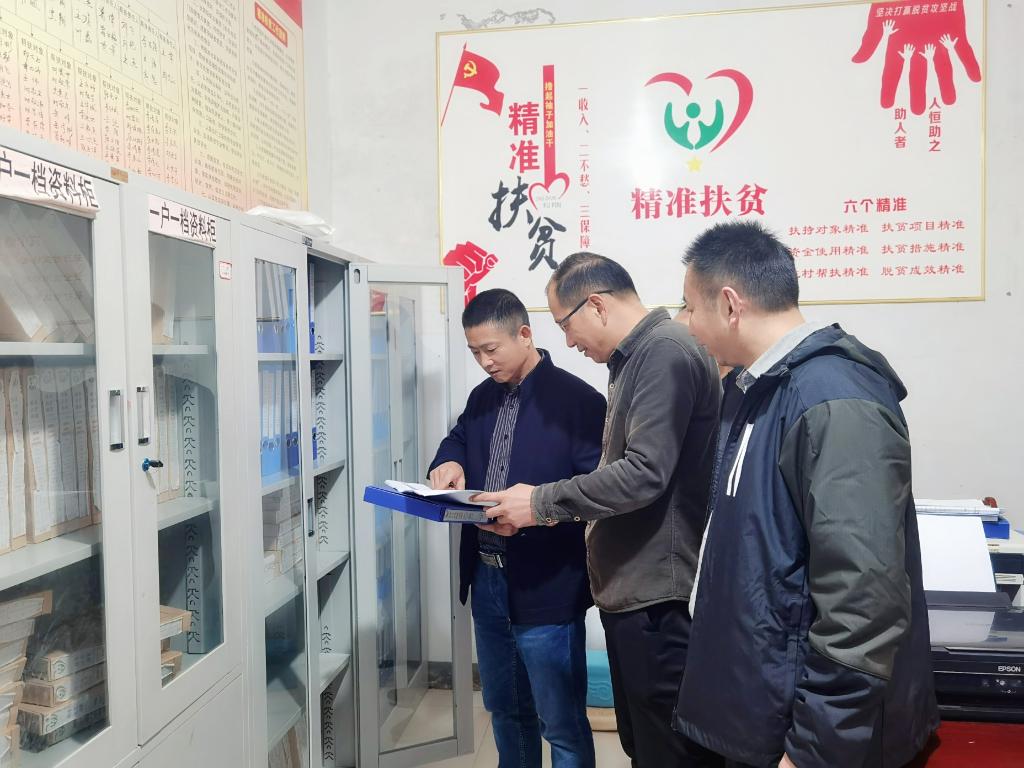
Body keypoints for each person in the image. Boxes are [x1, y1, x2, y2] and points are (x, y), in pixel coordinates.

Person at [674, 221, 937, 768]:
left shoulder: (834, 399)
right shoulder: (756, 389)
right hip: (760, 709)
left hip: (807, 734)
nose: (688, 324)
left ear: (730, 304)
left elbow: (863, 598)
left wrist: (815, 746)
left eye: (691, 308)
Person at [477, 254, 721, 768]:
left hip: (656, 591)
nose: (568, 342)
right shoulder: (636, 359)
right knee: (642, 742)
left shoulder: (663, 352)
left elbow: (644, 473)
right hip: (631, 587)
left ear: (596, 305)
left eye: (566, 325)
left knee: (666, 749)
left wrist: (539, 502)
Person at [428, 288, 605, 768]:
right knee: (505, 710)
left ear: (524, 334)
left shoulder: (579, 401)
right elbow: (459, 437)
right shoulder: (482, 397)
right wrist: (448, 461)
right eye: (474, 352)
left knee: (561, 722)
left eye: (491, 349)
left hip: (547, 580)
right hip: (487, 577)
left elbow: (598, 493)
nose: (484, 362)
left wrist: (537, 515)